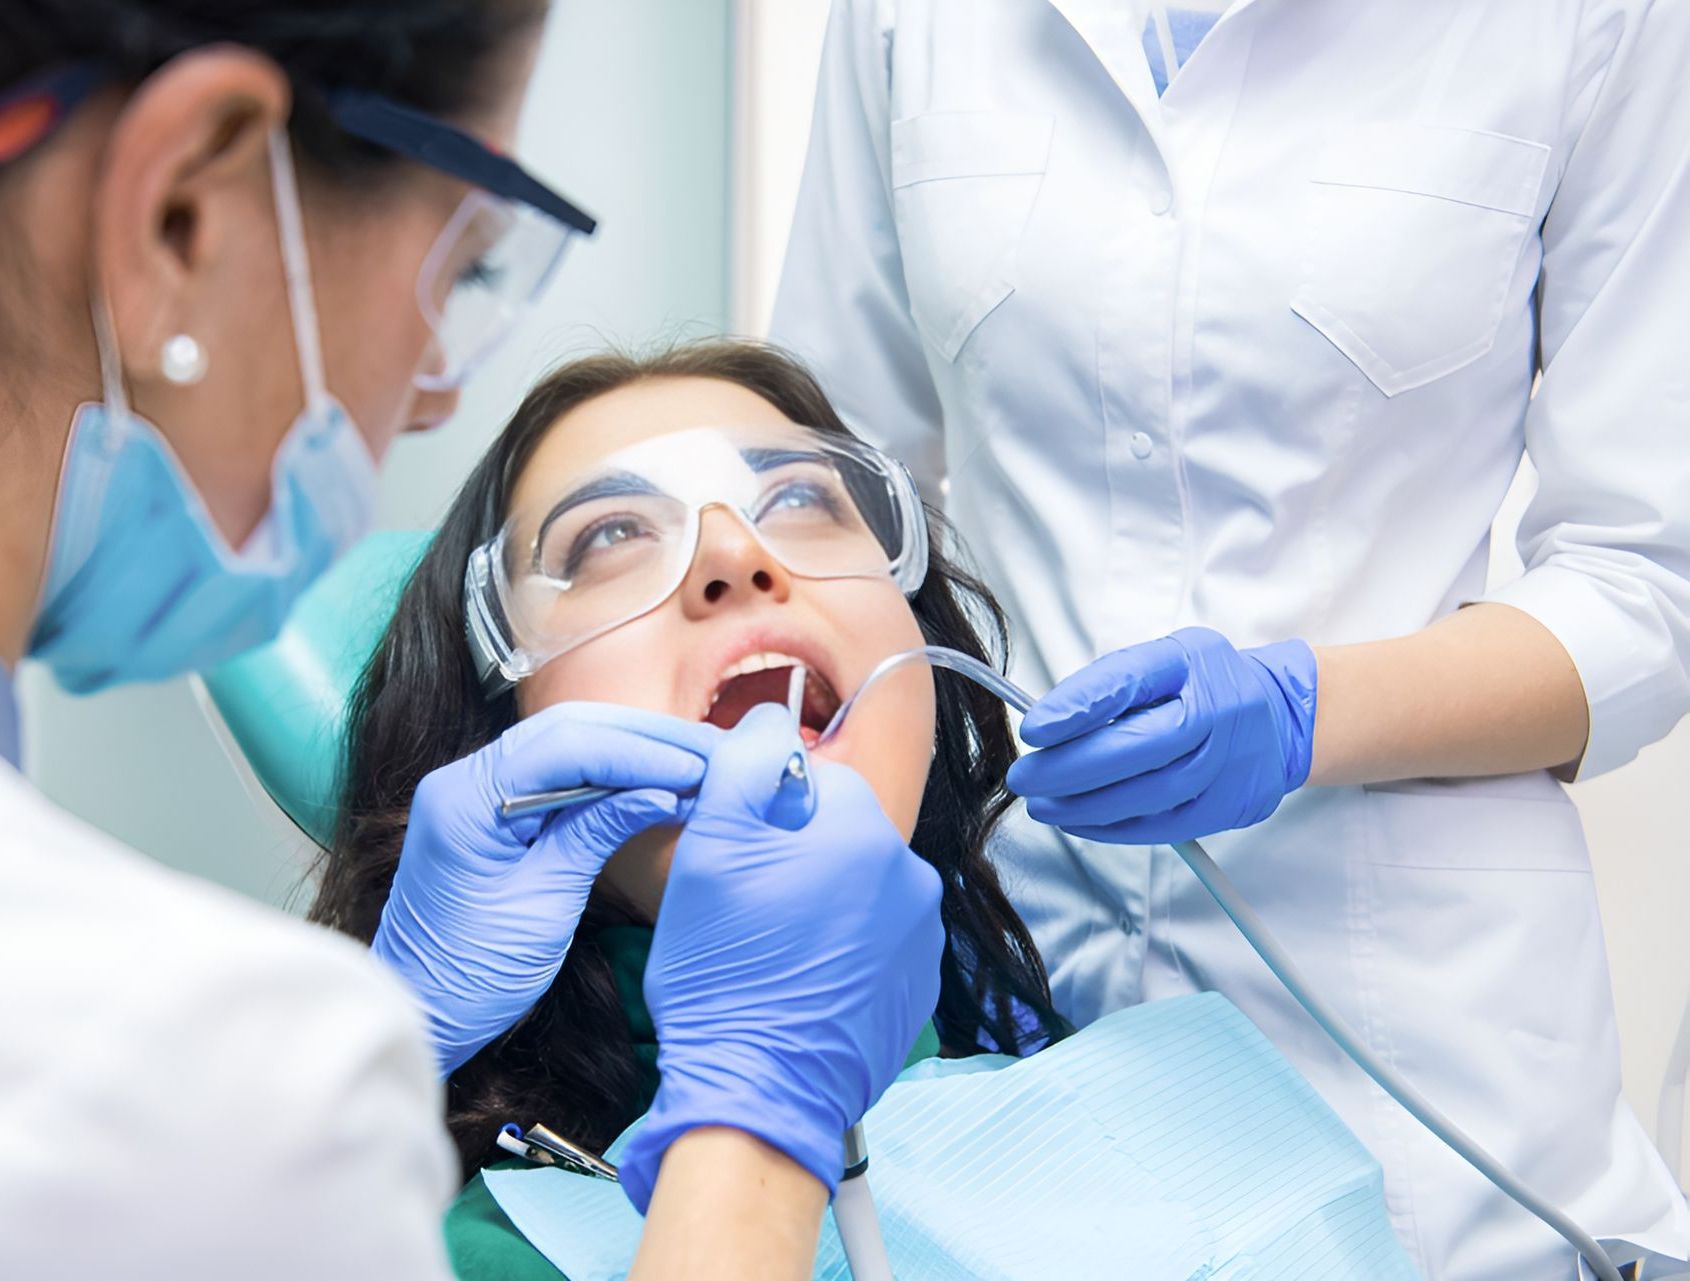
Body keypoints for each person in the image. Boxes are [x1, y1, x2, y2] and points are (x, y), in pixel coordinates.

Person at [0, 6, 942, 1276]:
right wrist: (760, 1118)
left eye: (799, 499)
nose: (738, 556)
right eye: (464, 260)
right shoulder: (236, 1120)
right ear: (185, 208)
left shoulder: (1100, 1073)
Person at [769, 1, 1690, 1276]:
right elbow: (828, 480)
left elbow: (1645, 578)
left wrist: (1304, 713)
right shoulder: (908, 21)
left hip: (1414, 1042)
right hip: (1017, 977)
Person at [311, 340, 1070, 1276]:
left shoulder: (1135, 1106)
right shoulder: (459, 1251)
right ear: (501, 730)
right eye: (611, 536)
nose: (734, 556)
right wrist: (760, 1098)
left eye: (799, 498)